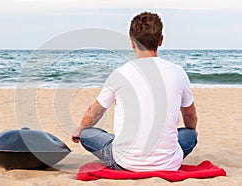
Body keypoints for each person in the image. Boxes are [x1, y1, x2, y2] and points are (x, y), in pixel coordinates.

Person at [71, 12, 198, 171]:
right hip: (168, 164)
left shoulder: (120, 74)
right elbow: (190, 115)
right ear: (161, 40)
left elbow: (94, 112)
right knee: (189, 135)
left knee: (87, 134)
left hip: (124, 163)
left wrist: (79, 129)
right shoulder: (177, 72)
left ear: (132, 42)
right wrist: (190, 129)